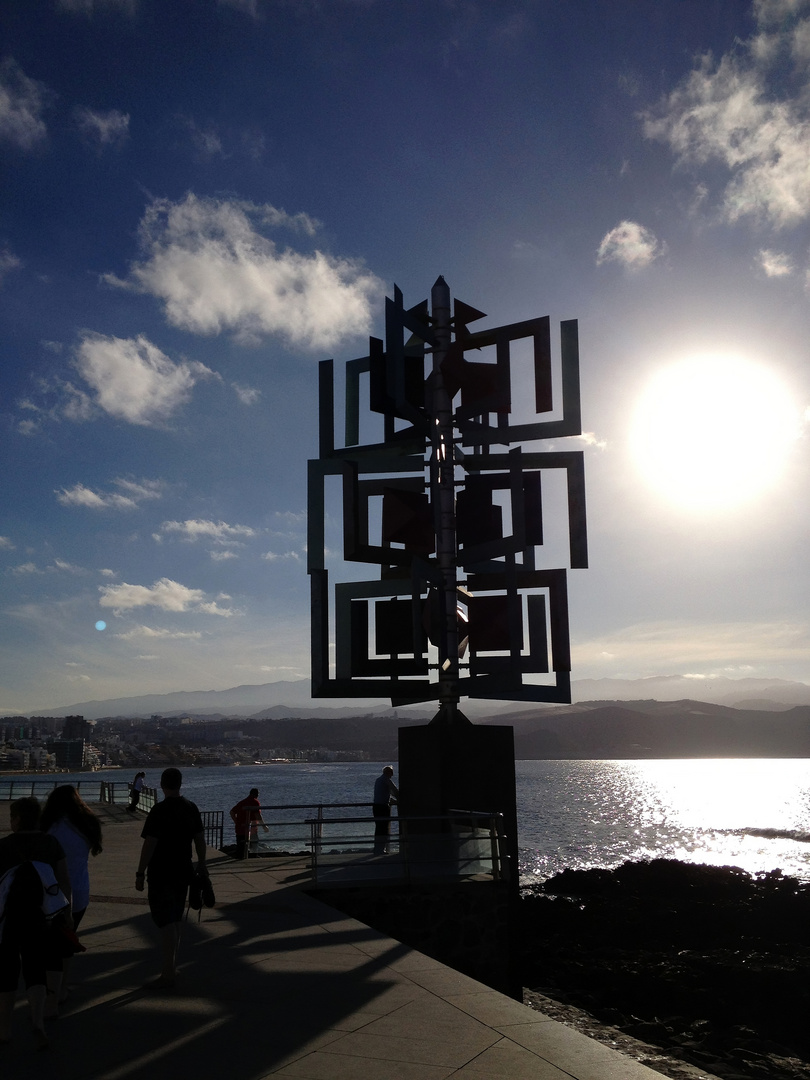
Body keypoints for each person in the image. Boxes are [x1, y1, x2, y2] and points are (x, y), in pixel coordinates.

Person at [0, 797, 71, 1050]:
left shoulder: (3, 846)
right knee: (35, 969)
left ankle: (5, 1030)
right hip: (42, 917)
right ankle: (38, 1022)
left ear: (17, 819)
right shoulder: (51, 843)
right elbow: (63, 881)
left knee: (7, 973)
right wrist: (67, 913)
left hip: (8, 919)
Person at [134, 768, 207, 989]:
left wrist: (140, 872)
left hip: (161, 872)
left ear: (163, 785)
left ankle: (168, 972)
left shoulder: (158, 811)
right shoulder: (191, 808)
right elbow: (199, 840)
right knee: (175, 918)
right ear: (180, 784)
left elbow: (150, 844)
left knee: (164, 920)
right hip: (183, 870)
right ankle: (171, 966)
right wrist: (202, 865)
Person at [40, 785, 102, 1013]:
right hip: (81, 892)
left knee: (52, 947)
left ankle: (52, 993)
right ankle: (63, 987)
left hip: (51, 894)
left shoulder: (49, 828)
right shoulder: (86, 826)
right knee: (68, 940)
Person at [229, 788, 269, 859]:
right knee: (254, 843)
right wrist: (264, 826)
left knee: (240, 845)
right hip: (251, 828)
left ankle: (241, 858)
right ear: (255, 794)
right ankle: (253, 856)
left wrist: (236, 821)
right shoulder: (255, 802)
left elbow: (232, 812)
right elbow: (258, 816)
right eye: (257, 794)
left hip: (239, 827)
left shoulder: (242, 802)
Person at [372, 766, 399, 855]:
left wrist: (390, 798)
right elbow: (395, 791)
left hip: (376, 806)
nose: (392, 775)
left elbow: (384, 793)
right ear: (388, 773)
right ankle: (381, 849)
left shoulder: (378, 780)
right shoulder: (386, 780)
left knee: (378, 828)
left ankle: (377, 848)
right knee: (383, 828)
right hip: (383, 807)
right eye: (391, 773)